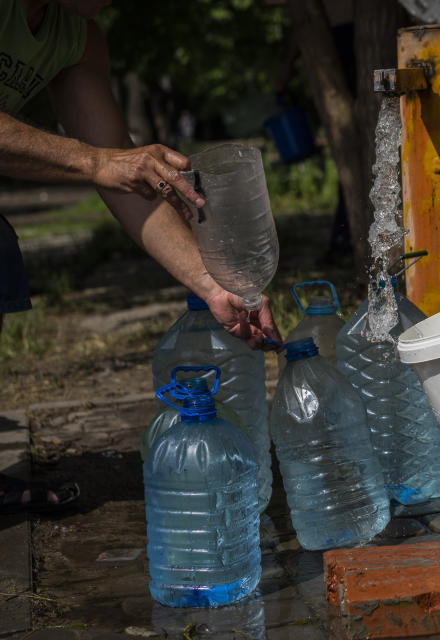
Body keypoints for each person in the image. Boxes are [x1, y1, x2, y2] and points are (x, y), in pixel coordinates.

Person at [0, 0, 283, 510]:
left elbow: (121, 178)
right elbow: (100, 160)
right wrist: (94, 160)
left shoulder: (77, 37)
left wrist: (216, 286)